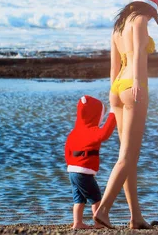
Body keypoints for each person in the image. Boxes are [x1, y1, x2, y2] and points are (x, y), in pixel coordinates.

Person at [93, 0, 158, 229]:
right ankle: (103, 209)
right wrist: (137, 84)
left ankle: (135, 217)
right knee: (127, 156)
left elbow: (113, 67)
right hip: (134, 88)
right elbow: (138, 57)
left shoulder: (118, 26)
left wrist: (113, 94)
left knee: (129, 158)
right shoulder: (141, 20)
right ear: (151, 7)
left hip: (117, 89)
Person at [65, 94, 117, 229]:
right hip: (84, 172)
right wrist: (113, 113)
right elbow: (105, 133)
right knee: (96, 198)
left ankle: (77, 223)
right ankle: (98, 223)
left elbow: (67, 151)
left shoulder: (74, 132)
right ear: (95, 116)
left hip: (72, 171)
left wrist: (70, 164)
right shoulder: (92, 131)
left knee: (79, 199)